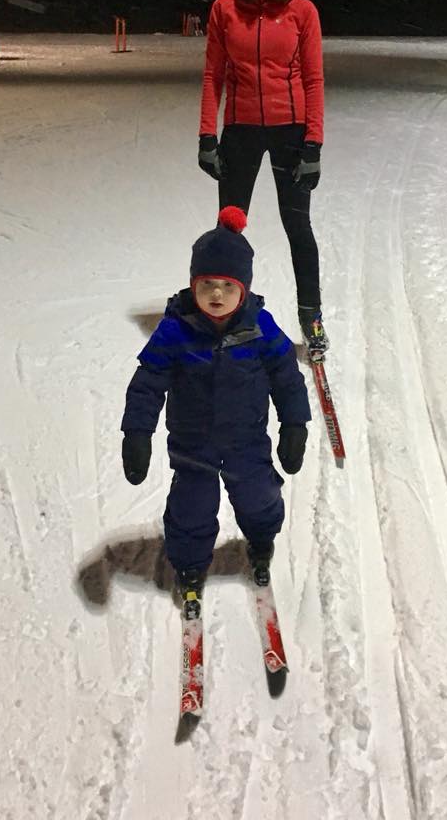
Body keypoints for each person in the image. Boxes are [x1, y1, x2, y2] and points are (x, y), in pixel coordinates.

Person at [121, 206, 311, 617]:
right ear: (193, 285)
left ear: (244, 288)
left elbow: (287, 377)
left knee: (260, 497)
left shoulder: (261, 328)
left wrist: (295, 424)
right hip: (193, 446)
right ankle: (190, 565)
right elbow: (148, 382)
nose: (217, 294)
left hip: (247, 441)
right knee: (191, 506)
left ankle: (261, 540)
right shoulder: (175, 331)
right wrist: (136, 433)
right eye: (207, 284)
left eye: (228, 285)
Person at [198, 0, 329, 360]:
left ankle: (312, 318)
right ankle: (224, 313)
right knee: (229, 227)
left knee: (298, 226)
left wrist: (313, 144)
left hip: (291, 130)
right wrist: (207, 135)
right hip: (241, 130)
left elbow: (313, 79)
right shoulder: (224, 9)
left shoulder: (302, 12)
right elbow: (213, 75)